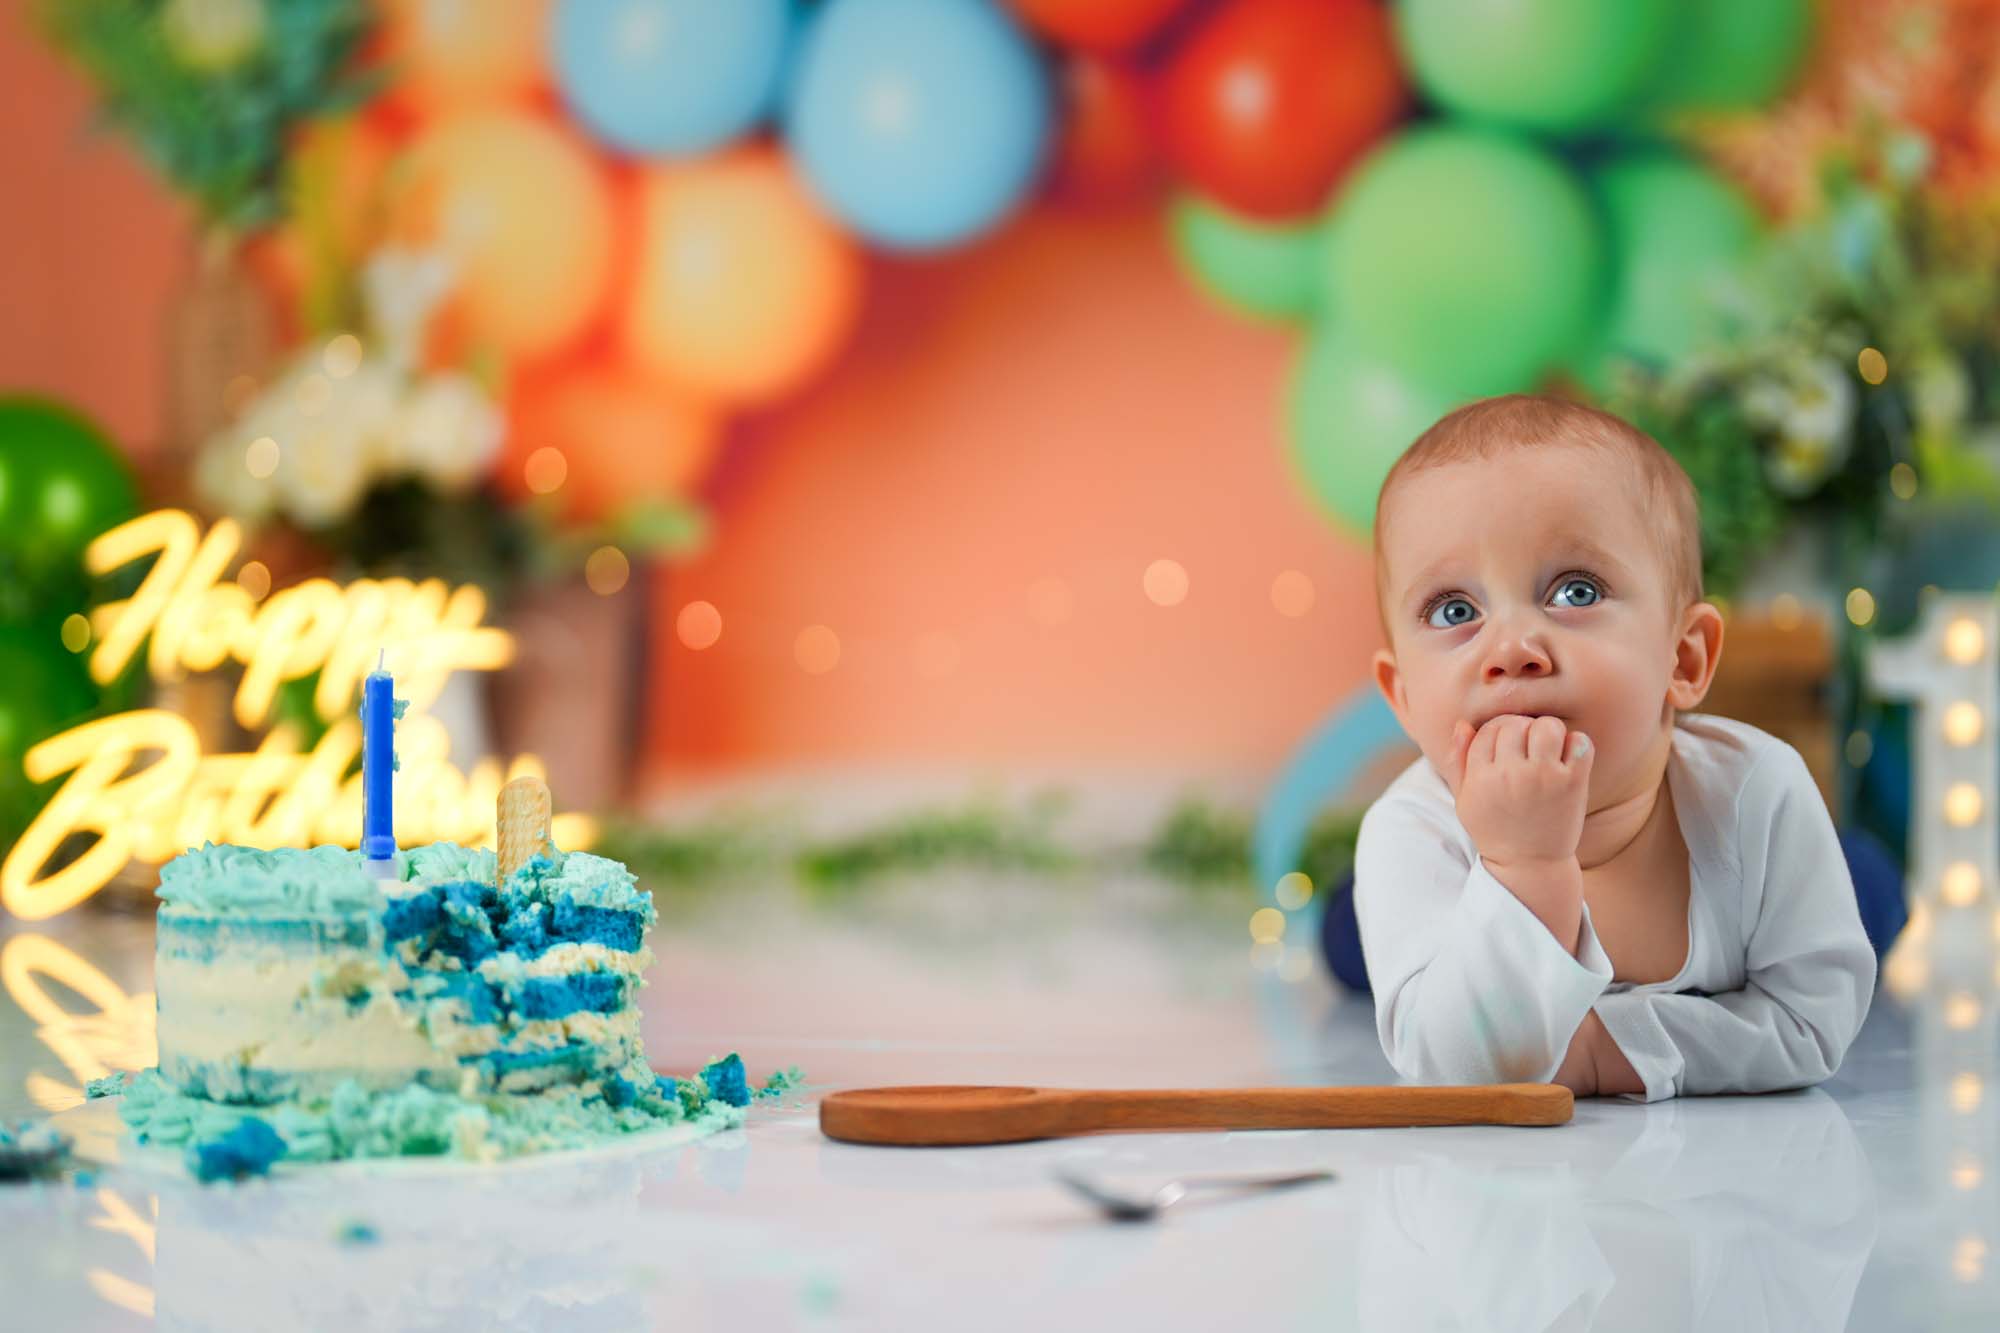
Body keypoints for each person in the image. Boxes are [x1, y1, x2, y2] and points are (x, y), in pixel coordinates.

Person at [1353, 393, 1876, 1101]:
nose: (1511, 649)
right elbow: (1454, 1067)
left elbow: (1813, 1021)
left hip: (1793, 865)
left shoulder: (1760, 791)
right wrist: (1520, 865)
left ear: (1684, 659)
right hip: (1427, 904)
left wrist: (1607, 1050)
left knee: (1873, 891)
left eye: (1575, 591)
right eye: (1455, 611)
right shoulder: (1413, 832)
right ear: (1405, 698)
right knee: (1349, 945)